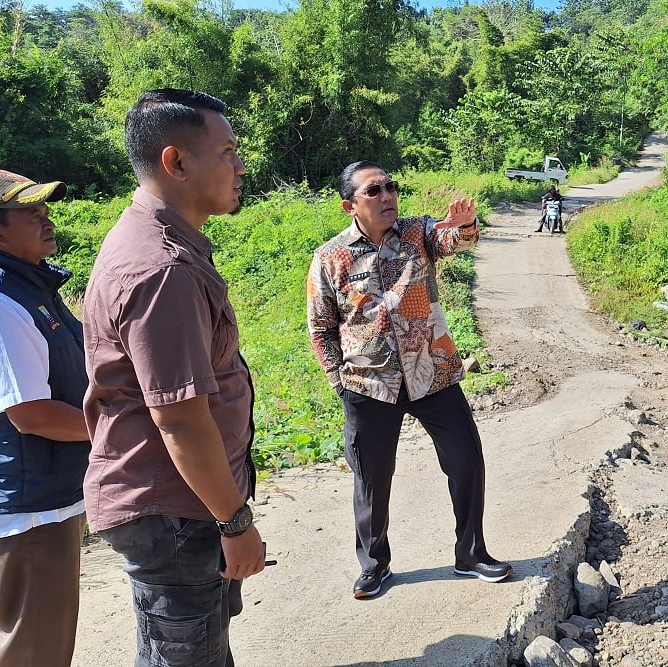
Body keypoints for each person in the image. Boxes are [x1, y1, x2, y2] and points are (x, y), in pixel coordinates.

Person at [83, 89, 265, 666]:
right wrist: (234, 521)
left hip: (176, 507)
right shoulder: (162, 269)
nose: (240, 166)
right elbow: (181, 418)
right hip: (176, 512)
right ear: (176, 162)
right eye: (228, 151)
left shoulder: (156, 242)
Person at [307, 160, 512, 599]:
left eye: (390, 187)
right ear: (350, 205)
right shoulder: (331, 257)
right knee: (371, 478)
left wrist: (467, 224)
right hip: (368, 383)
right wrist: (337, 380)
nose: (387, 196)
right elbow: (321, 325)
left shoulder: (417, 233)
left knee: (466, 460)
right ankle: (374, 565)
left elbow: (454, 238)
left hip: (431, 372)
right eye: (374, 191)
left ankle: (471, 554)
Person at [0, 169, 90, 667]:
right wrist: (125, 428)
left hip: (45, 490)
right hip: (29, 501)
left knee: (44, 638)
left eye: (45, 209)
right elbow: (31, 414)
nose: (46, 220)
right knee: (34, 647)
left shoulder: (29, 285)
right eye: (30, 213)